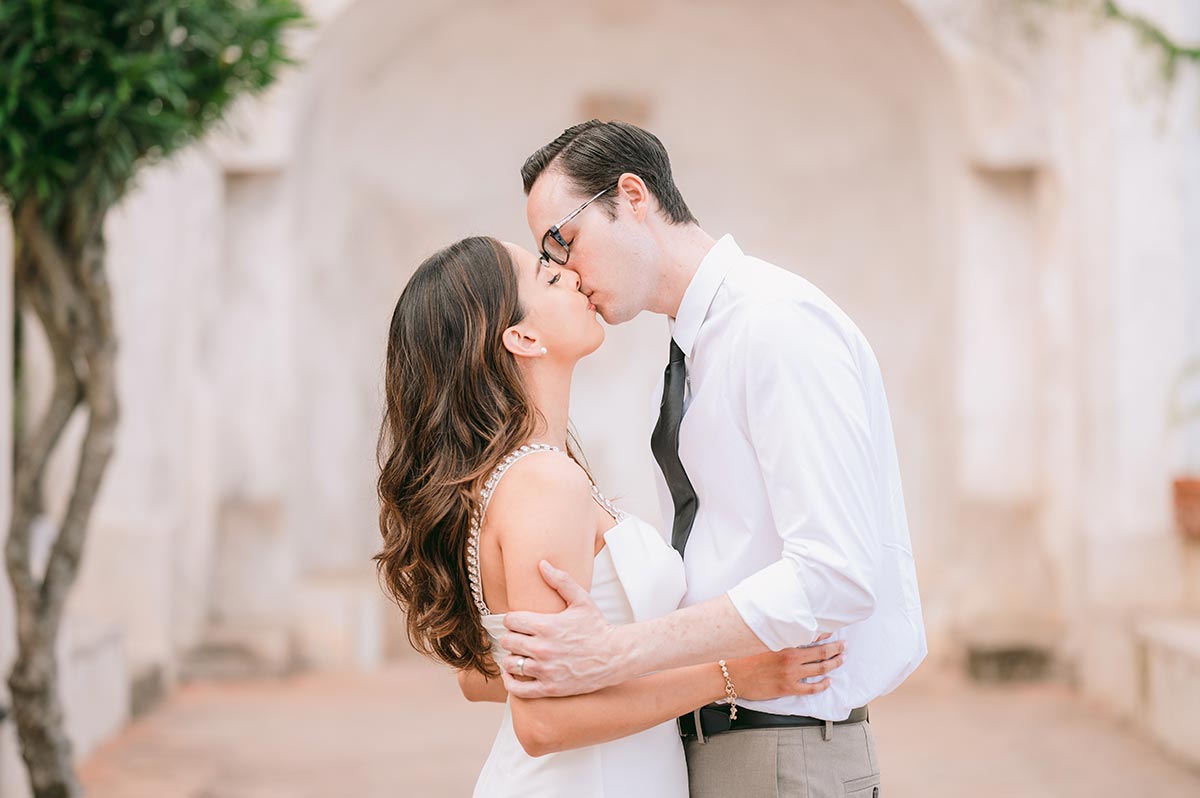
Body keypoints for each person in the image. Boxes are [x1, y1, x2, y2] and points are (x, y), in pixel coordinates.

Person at [495, 121, 928, 797]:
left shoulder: (774, 325)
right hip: (713, 737)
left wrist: (618, 653)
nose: (564, 273)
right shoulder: (689, 350)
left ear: (632, 197)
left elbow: (836, 573)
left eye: (566, 242)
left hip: (784, 750)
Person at [374, 235, 846, 797]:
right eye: (549, 279)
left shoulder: (519, 475)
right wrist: (731, 675)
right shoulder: (543, 484)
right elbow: (544, 722)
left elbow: (478, 675)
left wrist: (608, 662)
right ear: (521, 337)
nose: (572, 275)